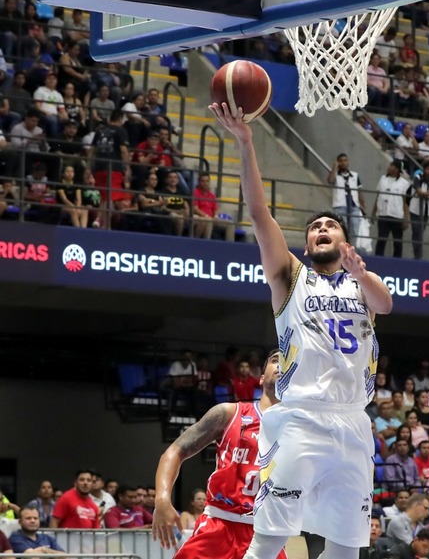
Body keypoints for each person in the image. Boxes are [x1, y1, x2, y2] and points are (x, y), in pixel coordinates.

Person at [210, 102, 392, 559]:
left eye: (330, 225)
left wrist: (362, 272)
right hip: (302, 419)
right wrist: (246, 141)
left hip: (353, 421)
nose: (322, 229)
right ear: (307, 245)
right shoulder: (291, 278)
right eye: (314, 228)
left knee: (347, 547)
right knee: (270, 538)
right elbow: (258, 214)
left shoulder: (361, 285)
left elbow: (385, 304)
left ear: (344, 242)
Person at [152, 350, 289, 559]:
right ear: (260, 378)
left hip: (266, 532)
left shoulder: (301, 431)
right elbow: (175, 451)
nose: (282, 365)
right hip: (219, 525)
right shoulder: (229, 413)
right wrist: (162, 499)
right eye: (275, 360)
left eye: (289, 361)